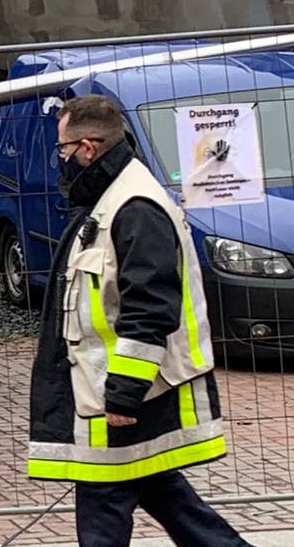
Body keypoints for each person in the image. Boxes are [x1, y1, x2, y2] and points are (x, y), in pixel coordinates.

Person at [28, 95, 251, 547]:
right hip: (117, 394)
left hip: (124, 397)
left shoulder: (134, 207)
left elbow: (149, 308)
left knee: (105, 512)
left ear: (88, 149)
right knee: (165, 496)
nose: (61, 162)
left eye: (63, 151)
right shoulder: (114, 198)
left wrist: (124, 394)